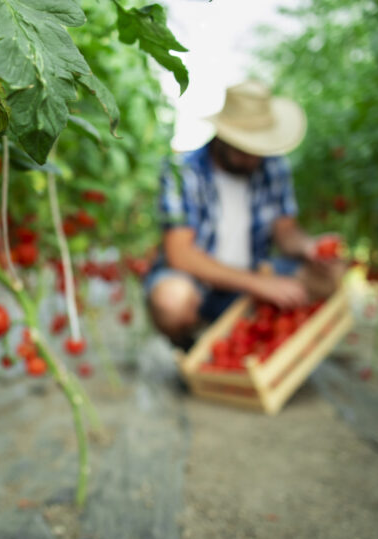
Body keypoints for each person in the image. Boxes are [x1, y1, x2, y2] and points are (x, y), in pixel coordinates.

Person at [145, 80, 344, 348]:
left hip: (255, 274)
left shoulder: (273, 167)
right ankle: (192, 348)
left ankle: (263, 341)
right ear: (223, 137)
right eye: (245, 149)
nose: (254, 158)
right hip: (200, 284)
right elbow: (180, 254)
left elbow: (285, 232)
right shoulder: (182, 171)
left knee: (332, 274)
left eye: (259, 149)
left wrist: (309, 246)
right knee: (171, 300)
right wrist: (259, 284)